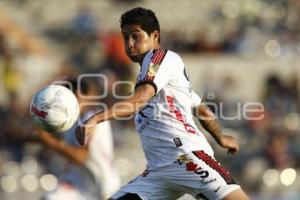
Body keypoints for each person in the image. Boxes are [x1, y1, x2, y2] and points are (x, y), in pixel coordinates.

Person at [76, 7, 250, 200]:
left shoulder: (159, 58)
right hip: (158, 172)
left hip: (186, 157)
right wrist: (221, 137)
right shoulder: (158, 75)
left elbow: (141, 98)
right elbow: (199, 106)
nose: (130, 43)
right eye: (125, 37)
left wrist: (96, 118)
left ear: (154, 36)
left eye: (136, 36)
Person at [34, 79, 120, 200]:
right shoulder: (70, 122)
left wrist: (50, 142)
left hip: (102, 186)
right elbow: (50, 140)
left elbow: (82, 156)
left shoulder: (93, 118)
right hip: (78, 183)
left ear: (79, 95)